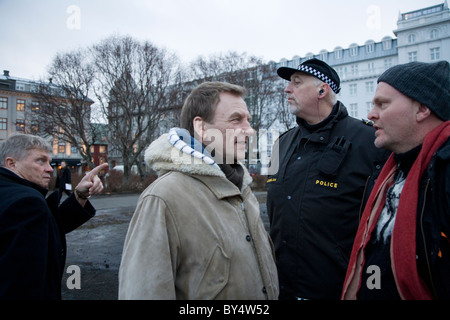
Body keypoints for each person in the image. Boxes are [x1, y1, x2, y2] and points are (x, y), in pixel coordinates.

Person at [119, 81, 279, 300]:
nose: (250, 130)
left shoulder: (243, 188)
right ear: (202, 128)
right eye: (236, 119)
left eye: (248, 120)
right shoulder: (164, 197)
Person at [267, 58, 389, 300]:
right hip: (281, 290)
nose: (287, 89)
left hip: (338, 290)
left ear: (322, 90)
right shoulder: (281, 144)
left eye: (297, 83)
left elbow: (383, 229)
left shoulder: (370, 141)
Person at [342, 61, 450, 300]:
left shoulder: (444, 171)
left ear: (422, 109)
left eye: (382, 104)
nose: (371, 114)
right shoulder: (392, 168)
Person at [0, 134, 107, 299]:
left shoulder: (9, 192)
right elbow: (23, 284)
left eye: (49, 162)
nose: (50, 168)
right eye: (40, 161)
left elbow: (46, 230)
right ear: (11, 163)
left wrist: (79, 195)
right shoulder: (27, 201)